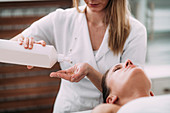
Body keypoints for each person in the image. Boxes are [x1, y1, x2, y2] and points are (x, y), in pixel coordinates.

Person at [11, 0, 147, 112]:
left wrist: (89, 71)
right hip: (69, 108)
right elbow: (9, 48)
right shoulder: (60, 19)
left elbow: (131, 91)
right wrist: (26, 47)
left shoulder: (135, 31)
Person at [54, 59, 154, 113]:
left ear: (151, 95)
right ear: (111, 101)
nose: (129, 61)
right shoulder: (105, 110)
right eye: (117, 69)